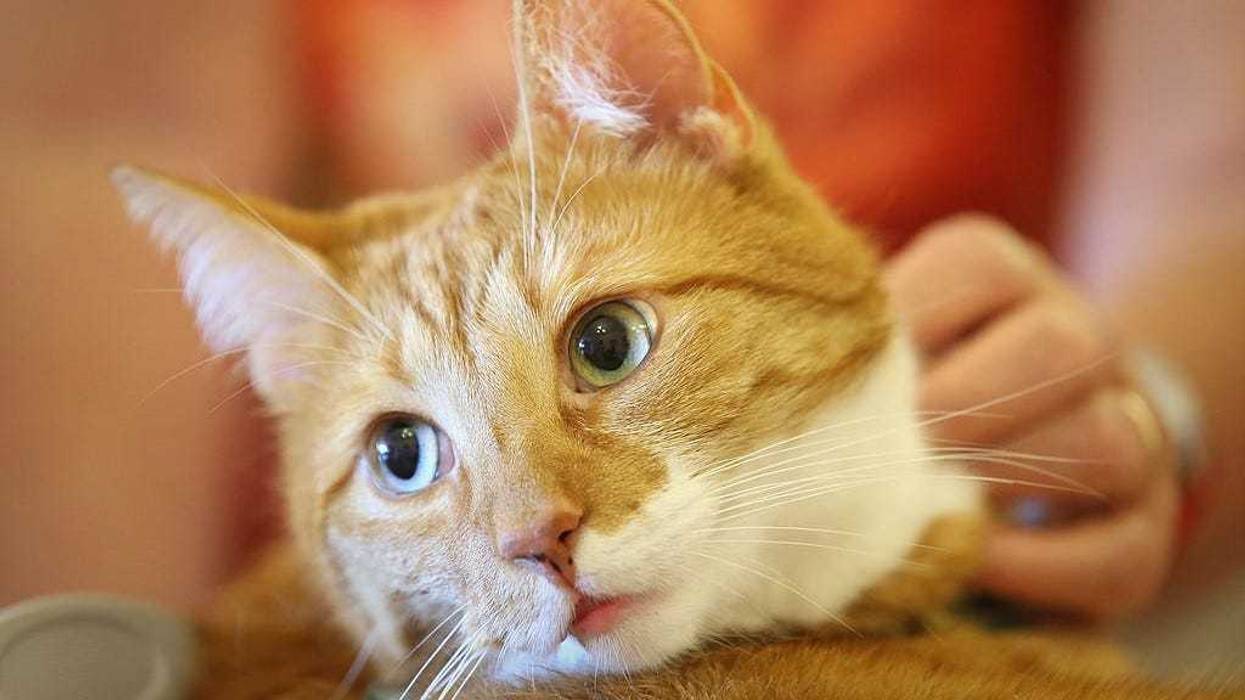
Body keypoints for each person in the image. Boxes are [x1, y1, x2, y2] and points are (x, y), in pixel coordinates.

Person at [2, 0, 1241, 631]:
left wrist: (1137, 417)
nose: (533, 528)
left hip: (969, 532)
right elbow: (86, 159)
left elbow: (1220, 187)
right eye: (406, 451)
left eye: (603, 345)